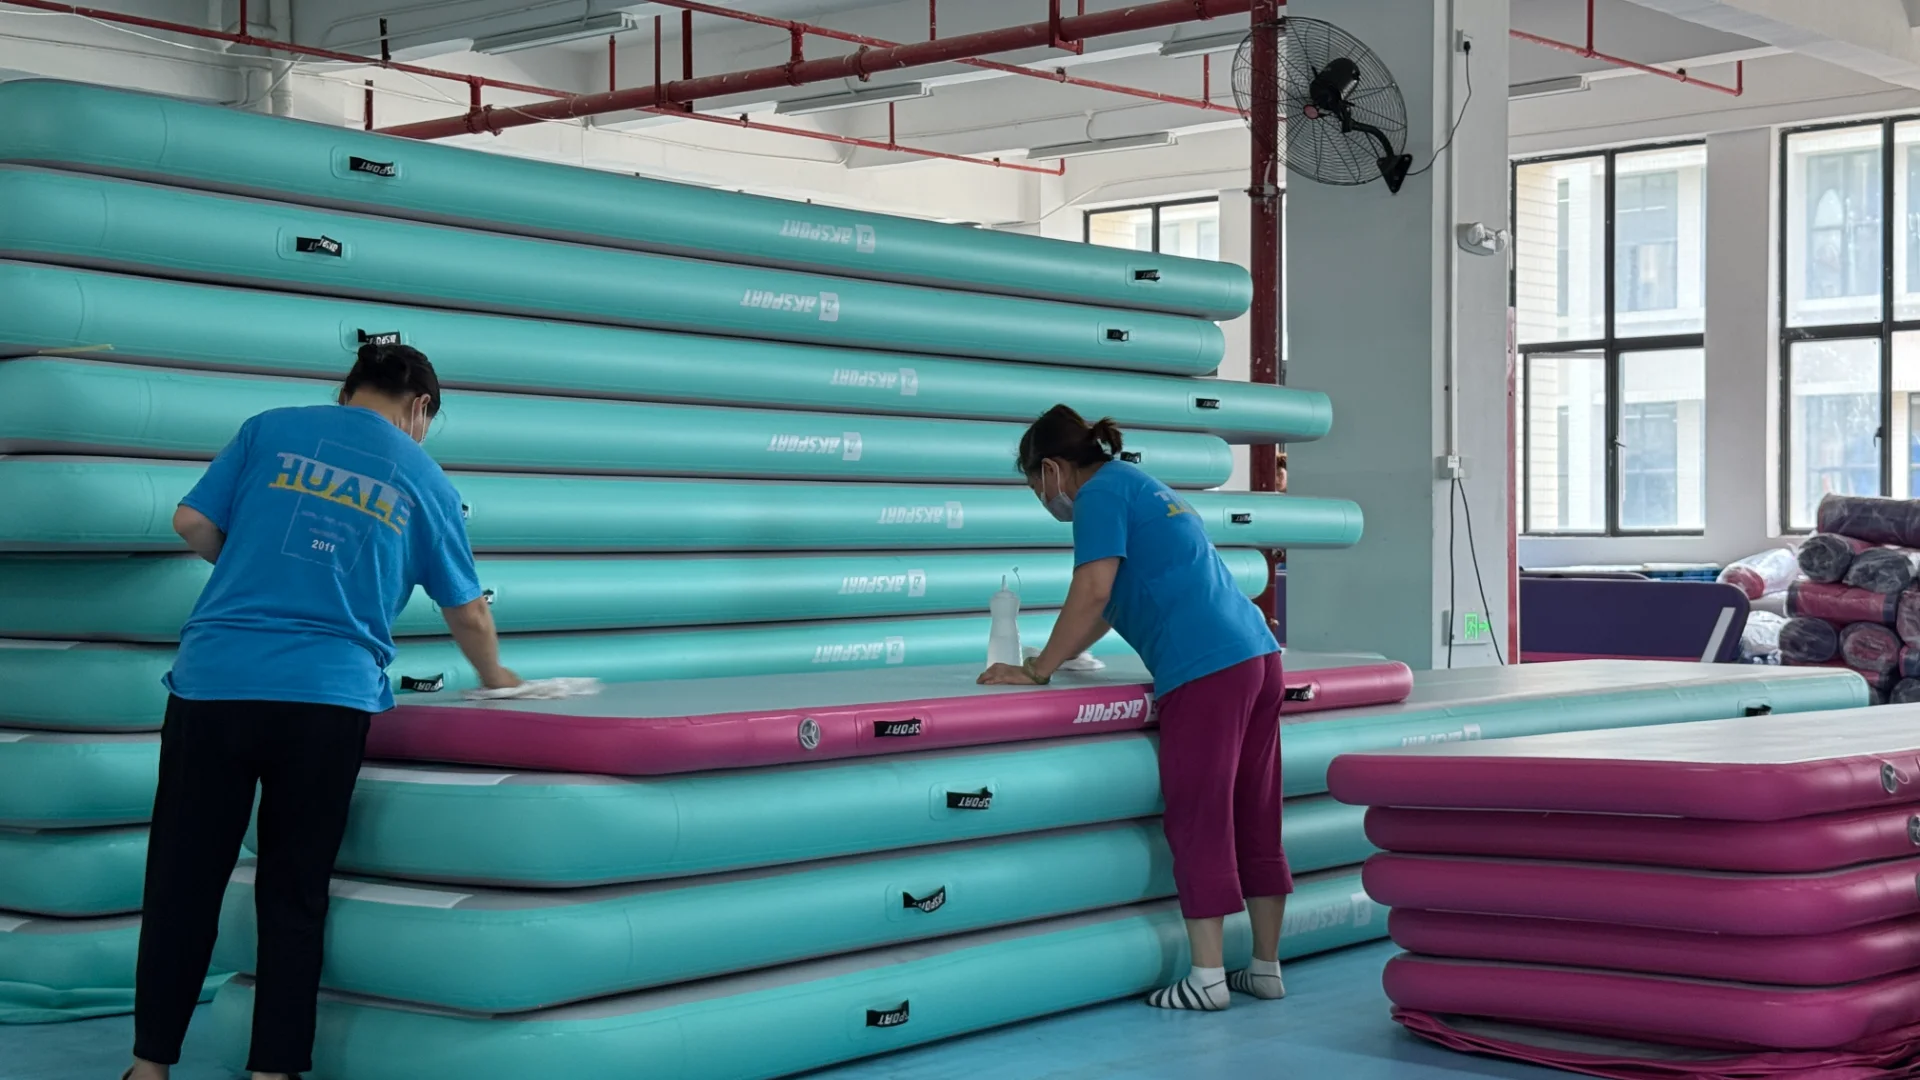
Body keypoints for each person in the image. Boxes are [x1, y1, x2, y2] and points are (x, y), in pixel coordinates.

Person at [126, 344, 520, 1080]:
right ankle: (273, 1070)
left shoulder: (268, 429)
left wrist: (255, 566)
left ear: (347, 389)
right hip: (324, 702)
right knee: (294, 888)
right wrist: (496, 676)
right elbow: (464, 607)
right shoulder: (423, 477)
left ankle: (148, 1066)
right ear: (421, 409)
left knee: (182, 879)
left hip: (216, 682)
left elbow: (190, 522)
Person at [980, 405, 1288, 1012]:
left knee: (1199, 816)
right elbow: (1113, 601)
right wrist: (1061, 652)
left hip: (1206, 669)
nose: (1043, 500)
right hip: (1257, 652)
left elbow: (1093, 587)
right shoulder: (1142, 485)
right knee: (1254, 811)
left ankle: (1206, 978)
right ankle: (1265, 967)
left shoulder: (1095, 496)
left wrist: (1037, 670)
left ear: (1051, 470)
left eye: (1035, 486)